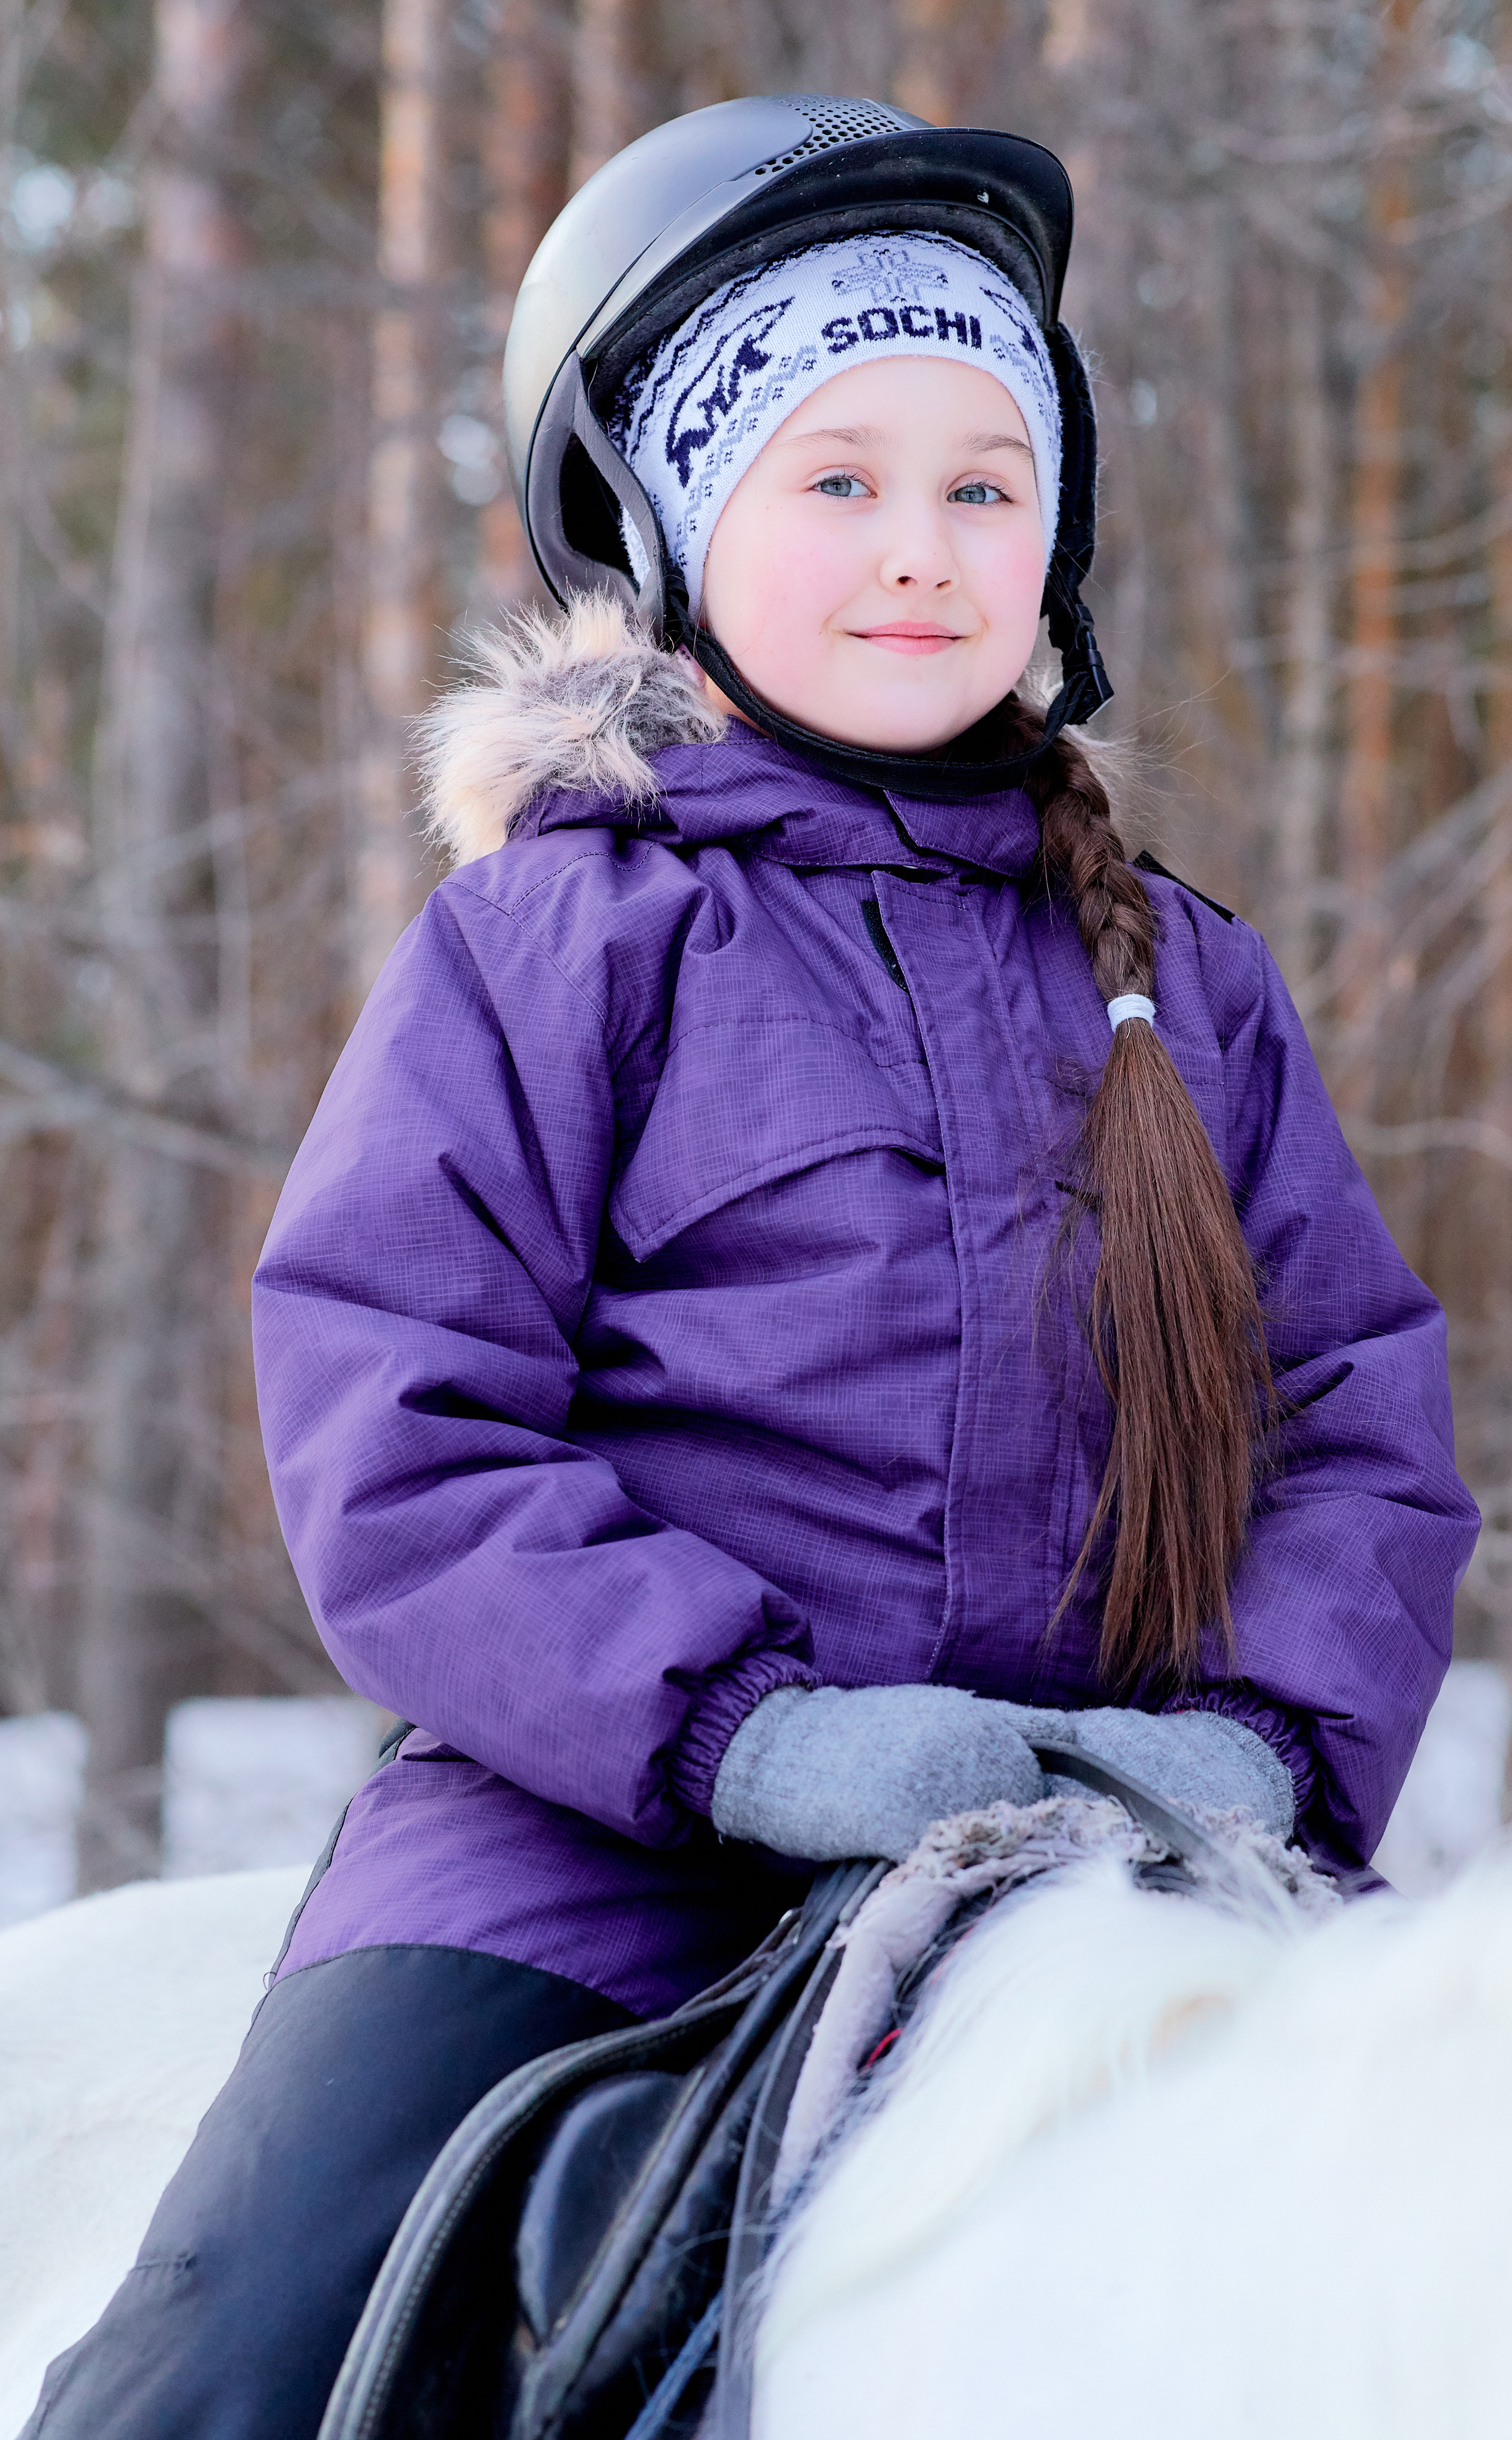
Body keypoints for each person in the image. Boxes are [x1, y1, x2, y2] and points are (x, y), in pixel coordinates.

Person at [25, 95, 1477, 2440]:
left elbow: (1352, 1427)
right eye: (836, 480)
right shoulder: (558, 935)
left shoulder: (1182, 985)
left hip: (1103, 1835)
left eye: (979, 485)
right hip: (582, 1857)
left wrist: (1255, 1745)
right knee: (230, 2353)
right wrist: (750, 1730)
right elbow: (399, 1420)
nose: (919, 550)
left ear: (1053, 545)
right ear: (689, 530)